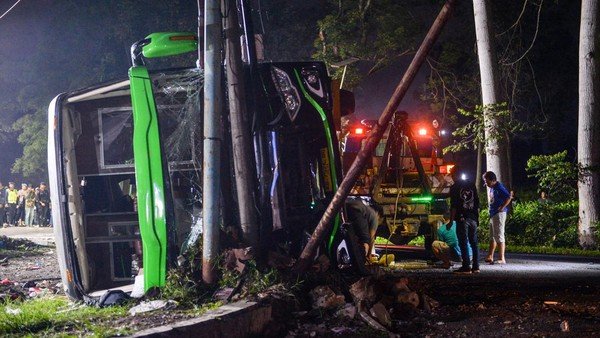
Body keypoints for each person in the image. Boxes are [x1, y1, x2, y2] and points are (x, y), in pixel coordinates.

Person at [448, 166, 480, 274]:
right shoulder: (471, 185)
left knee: (463, 242)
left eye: (452, 175)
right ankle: (476, 267)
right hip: (473, 217)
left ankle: (466, 267)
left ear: (455, 175)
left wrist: (451, 220)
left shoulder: (454, 187)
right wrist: (477, 218)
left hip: (462, 217)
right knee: (474, 242)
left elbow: (454, 206)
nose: (452, 177)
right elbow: (477, 202)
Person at [483, 171, 511, 264]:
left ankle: (502, 258)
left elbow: (508, 197)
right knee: (492, 236)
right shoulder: (492, 187)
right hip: (493, 214)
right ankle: (490, 256)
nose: (486, 183)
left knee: (499, 235)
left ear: (493, 180)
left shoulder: (499, 187)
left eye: (487, 181)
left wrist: (502, 207)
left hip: (499, 214)